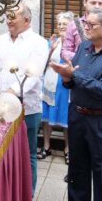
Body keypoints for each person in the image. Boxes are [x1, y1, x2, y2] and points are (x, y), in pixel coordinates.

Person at [51, 9, 102, 201]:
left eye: (91, 24)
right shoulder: (84, 47)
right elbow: (74, 81)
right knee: (77, 172)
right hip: (78, 116)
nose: (85, 27)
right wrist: (66, 78)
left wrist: (74, 75)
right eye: (85, 23)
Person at [0, 3, 48, 194]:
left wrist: (12, 91)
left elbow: (34, 74)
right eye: (7, 17)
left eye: (13, 17)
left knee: (28, 153)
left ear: (27, 20)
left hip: (28, 108)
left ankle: (28, 194)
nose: (9, 21)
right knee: (1, 154)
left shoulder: (39, 42)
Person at [39, 11, 74, 164]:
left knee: (67, 117)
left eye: (64, 24)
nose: (61, 26)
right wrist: (51, 49)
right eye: (59, 24)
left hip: (65, 85)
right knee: (46, 117)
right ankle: (46, 146)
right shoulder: (52, 41)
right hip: (50, 82)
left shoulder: (74, 42)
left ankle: (68, 149)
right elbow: (42, 63)